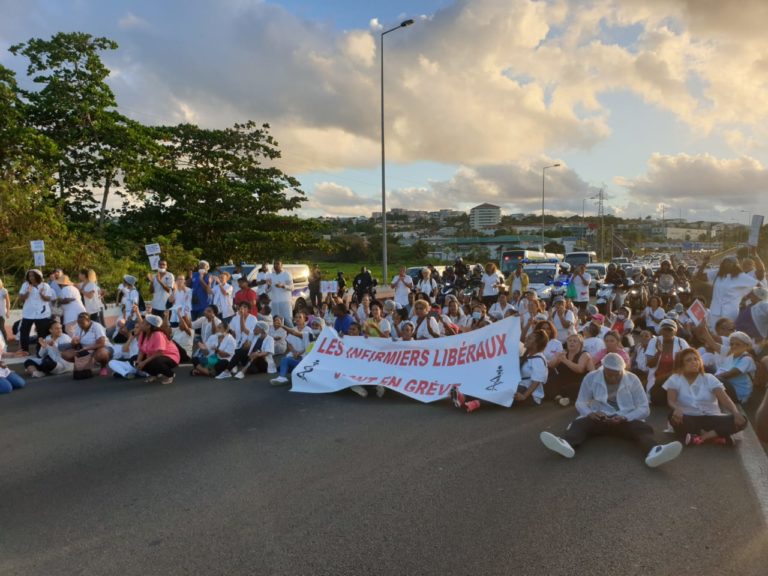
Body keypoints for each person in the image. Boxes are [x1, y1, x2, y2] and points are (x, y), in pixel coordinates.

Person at [540, 353, 684, 468]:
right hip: (598, 418)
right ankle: (566, 444)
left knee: (642, 428)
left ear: (623, 370)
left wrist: (625, 417)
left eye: (617, 374)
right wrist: (590, 413)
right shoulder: (591, 377)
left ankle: (654, 451)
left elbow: (644, 408)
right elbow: (581, 402)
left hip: (623, 420)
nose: (613, 377)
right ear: (603, 369)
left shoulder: (632, 379)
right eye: (609, 374)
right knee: (580, 424)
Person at [664, 348, 747, 445]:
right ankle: (718, 436)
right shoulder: (674, 379)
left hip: (711, 417)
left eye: (696, 359)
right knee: (672, 416)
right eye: (688, 360)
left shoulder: (709, 378)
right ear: (681, 364)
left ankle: (701, 438)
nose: (694, 362)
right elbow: (671, 401)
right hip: (688, 418)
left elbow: (725, 399)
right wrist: (677, 409)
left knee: (742, 420)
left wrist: (735, 412)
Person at [646, 318, 689, 405]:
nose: (667, 332)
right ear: (661, 331)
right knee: (656, 399)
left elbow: (688, 363)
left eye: (670, 330)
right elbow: (650, 364)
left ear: (675, 332)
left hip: (676, 380)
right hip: (658, 380)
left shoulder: (682, 343)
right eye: (664, 329)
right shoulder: (654, 341)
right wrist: (659, 352)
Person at [706, 257, 758, 329]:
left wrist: (747, 301)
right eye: (725, 262)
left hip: (730, 313)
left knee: (728, 333)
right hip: (715, 311)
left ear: (735, 265)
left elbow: (757, 286)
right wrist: (704, 263)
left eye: (729, 262)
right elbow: (699, 276)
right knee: (714, 332)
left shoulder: (741, 276)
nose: (726, 264)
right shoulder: (718, 274)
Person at [216, 301, 259, 379]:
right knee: (231, 349)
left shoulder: (253, 319)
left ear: (249, 309)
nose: (242, 308)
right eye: (241, 306)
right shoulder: (235, 318)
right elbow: (232, 332)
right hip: (237, 343)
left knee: (242, 349)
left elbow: (245, 331)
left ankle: (230, 368)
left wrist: (242, 317)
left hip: (248, 343)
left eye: (245, 307)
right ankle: (232, 366)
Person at [549, 333, 594, 406]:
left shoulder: (584, 355)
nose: (571, 342)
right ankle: (559, 398)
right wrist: (557, 358)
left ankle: (561, 397)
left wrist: (565, 360)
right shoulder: (563, 354)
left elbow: (580, 369)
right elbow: (550, 366)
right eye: (569, 341)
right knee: (551, 379)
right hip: (565, 381)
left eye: (574, 341)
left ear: (580, 344)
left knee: (573, 387)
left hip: (580, 382)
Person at [17, 268, 54, 355]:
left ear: (38, 276)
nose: (31, 277)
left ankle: (40, 351)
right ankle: (25, 351)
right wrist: (28, 292)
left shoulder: (45, 286)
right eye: (29, 276)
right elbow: (21, 298)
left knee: (41, 333)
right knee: (24, 332)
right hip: (28, 313)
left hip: (42, 313)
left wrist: (42, 294)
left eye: (33, 275)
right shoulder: (25, 285)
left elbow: (48, 298)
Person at [135, 314, 180, 384]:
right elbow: (141, 350)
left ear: (149, 326)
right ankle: (154, 375)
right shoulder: (143, 334)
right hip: (155, 356)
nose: (141, 324)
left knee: (156, 361)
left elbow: (160, 352)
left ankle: (170, 375)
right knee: (134, 360)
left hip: (170, 357)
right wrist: (138, 362)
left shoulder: (157, 334)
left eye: (143, 323)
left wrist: (144, 362)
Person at [714, 331, 757, 404]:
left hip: (739, 394)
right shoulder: (731, 356)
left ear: (746, 346)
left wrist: (711, 378)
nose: (734, 346)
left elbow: (731, 374)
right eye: (731, 344)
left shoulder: (747, 359)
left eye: (738, 344)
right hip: (729, 387)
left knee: (718, 379)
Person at [270, 313, 312, 385]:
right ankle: (282, 378)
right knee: (284, 359)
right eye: (296, 317)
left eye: (300, 317)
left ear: (304, 319)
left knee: (286, 365)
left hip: (304, 357)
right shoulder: (293, 328)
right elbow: (289, 343)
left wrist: (299, 353)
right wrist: (294, 352)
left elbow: (310, 345)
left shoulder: (308, 330)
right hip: (294, 355)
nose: (297, 319)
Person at [514, 330, 549, 406]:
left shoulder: (538, 359)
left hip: (530, 395)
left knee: (501, 392)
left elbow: (536, 381)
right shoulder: (527, 355)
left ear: (536, 343)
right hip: (520, 386)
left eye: (529, 338)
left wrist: (524, 396)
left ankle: (481, 402)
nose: (526, 338)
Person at [268, 260, 294, 328]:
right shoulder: (270, 276)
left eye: (277, 264)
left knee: (287, 321)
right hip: (274, 302)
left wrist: (283, 286)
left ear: (281, 265)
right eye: (274, 264)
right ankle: (278, 336)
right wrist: (268, 285)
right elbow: (267, 290)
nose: (276, 265)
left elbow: (292, 287)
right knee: (275, 321)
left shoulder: (287, 274)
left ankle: (293, 336)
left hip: (285, 302)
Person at [0, 277, 8, 345]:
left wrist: (8, 311)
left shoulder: (3, 290)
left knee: (1, 328)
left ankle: (5, 343)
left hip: (1, 313)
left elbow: (8, 302)